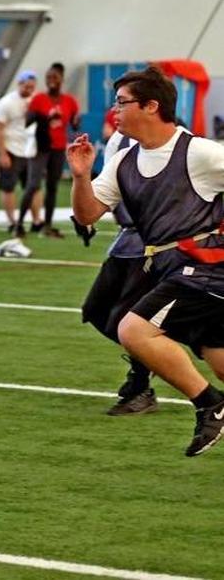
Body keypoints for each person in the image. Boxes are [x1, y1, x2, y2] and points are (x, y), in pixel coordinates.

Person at [68, 67, 224, 456]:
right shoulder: (123, 161)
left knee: (134, 330)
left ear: (151, 106)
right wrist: (81, 176)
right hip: (169, 268)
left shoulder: (200, 153)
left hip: (204, 267)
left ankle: (211, 406)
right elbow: (87, 215)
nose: (113, 111)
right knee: (220, 360)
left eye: (121, 103)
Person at [77, 129, 157, 415]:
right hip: (126, 240)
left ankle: (141, 385)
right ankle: (154, 355)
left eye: (123, 101)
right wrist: (83, 215)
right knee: (96, 311)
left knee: (127, 321)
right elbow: (107, 187)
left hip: (156, 244)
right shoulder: (117, 141)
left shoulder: (174, 141)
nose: (116, 108)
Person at [18, 62, 79, 238]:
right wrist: (45, 116)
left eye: (55, 78)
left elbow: (74, 125)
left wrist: (75, 121)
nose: (51, 81)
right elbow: (28, 122)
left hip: (58, 148)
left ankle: (47, 226)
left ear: (61, 80)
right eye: (48, 77)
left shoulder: (69, 101)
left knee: (52, 187)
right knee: (33, 185)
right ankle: (19, 224)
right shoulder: (38, 100)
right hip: (41, 146)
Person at [0, 71, 42, 234]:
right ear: (19, 84)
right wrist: (3, 153)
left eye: (32, 87)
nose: (29, 90)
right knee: (8, 187)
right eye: (26, 86)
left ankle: (36, 220)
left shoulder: (37, 100)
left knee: (34, 186)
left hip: (30, 149)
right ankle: (12, 221)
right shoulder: (6, 103)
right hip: (11, 148)